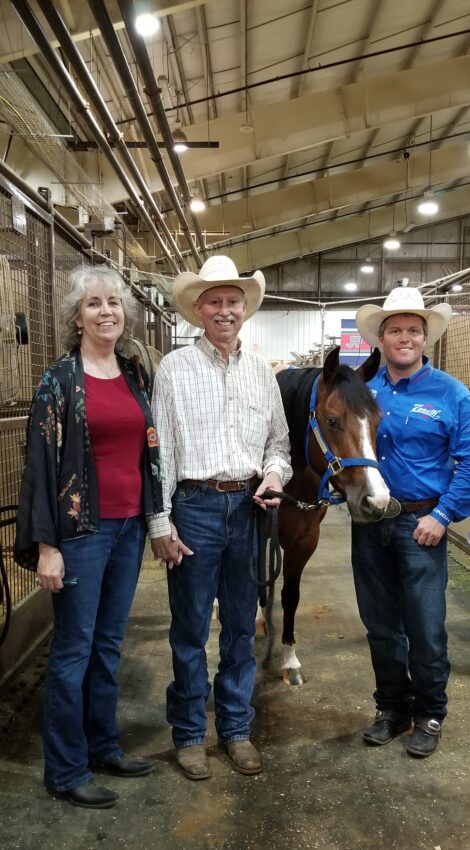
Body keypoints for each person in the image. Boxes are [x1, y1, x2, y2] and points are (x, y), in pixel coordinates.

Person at [15, 265, 164, 807]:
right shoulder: (58, 380)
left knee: (107, 645)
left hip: (126, 528)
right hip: (81, 531)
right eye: (94, 304)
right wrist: (47, 545)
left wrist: (154, 518)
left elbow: (147, 451)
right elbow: (40, 465)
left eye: (114, 303)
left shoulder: (132, 373)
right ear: (76, 318)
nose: (106, 311)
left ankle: (104, 745)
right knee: (73, 650)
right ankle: (66, 767)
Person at [148, 255, 292, 780]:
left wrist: (274, 477)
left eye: (233, 301)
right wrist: (160, 521)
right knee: (189, 628)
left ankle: (235, 729)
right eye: (215, 301)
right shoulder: (173, 369)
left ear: (244, 310)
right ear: (198, 309)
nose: (225, 310)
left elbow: (279, 445)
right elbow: (159, 452)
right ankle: (189, 733)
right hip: (196, 505)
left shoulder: (262, 373)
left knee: (238, 627)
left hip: (249, 508)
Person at [352, 287, 470, 757]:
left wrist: (442, 514)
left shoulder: (451, 394)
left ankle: (430, 712)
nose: (405, 337)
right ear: (381, 338)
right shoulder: (365, 394)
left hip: (421, 525)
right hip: (370, 523)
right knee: (380, 624)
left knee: (426, 627)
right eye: (395, 329)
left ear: (426, 338)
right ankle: (391, 707)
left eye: (414, 329)